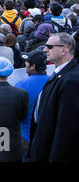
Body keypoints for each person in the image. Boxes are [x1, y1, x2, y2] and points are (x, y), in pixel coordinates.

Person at [29, 33, 79, 162]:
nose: (45, 50)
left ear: (64, 49)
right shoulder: (60, 73)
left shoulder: (71, 80)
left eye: (50, 47)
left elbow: (66, 126)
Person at [14, 50, 49, 161]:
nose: (25, 64)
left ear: (33, 66)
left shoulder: (21, 85)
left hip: (26, 135)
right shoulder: (54, 81)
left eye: (27, 62)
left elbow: (15, 112)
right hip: (48, 135)